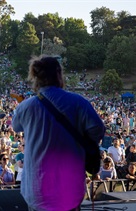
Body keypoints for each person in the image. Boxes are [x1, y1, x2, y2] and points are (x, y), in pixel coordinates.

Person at [12, 56, 105, 211]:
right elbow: (98, 130)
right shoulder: (78, 102)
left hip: (36, 190)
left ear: (36, 77)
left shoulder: (26, 106)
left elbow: (16, 126)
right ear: (59, 75)